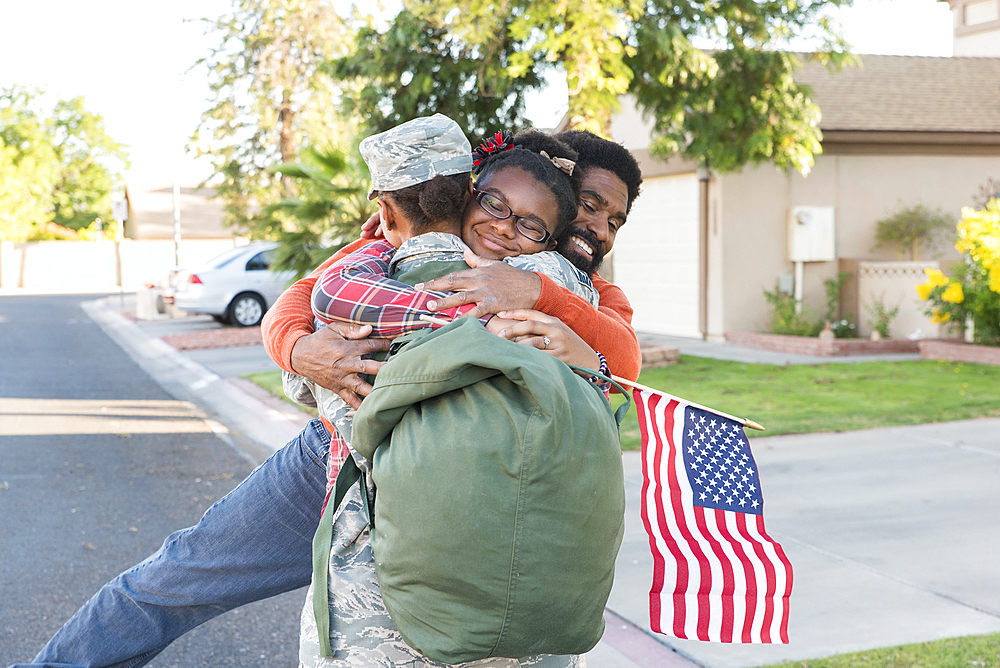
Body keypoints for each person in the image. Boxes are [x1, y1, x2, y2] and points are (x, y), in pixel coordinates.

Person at [8, 130, 642, 668]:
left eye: (612, 219)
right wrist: (297, 351)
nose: (595, 226)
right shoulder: (399, 238)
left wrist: (534, 291)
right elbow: (301, 298)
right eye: (587, 203)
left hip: (484, 484)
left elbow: (625, 362)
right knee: (179, 577)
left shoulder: (588, 292)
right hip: (337, 459)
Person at [296, 117, 610, 667]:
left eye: (531, 226)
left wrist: (300, 358)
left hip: (384, 599)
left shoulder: (352, 296)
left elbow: (314, 382)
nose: (506, 228)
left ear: (384, 210)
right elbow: (605, 383)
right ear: (469, 192)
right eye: (495, 205)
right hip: (534, 602)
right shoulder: (561, 296)